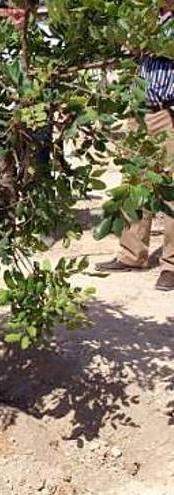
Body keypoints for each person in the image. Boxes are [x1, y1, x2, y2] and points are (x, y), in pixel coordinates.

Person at [96, 5, 174, 291]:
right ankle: (132, 254)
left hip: (169, 112)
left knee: (171, 190)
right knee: (135, 182)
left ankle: (171, 265)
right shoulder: (149, 21)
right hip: (141, 111)